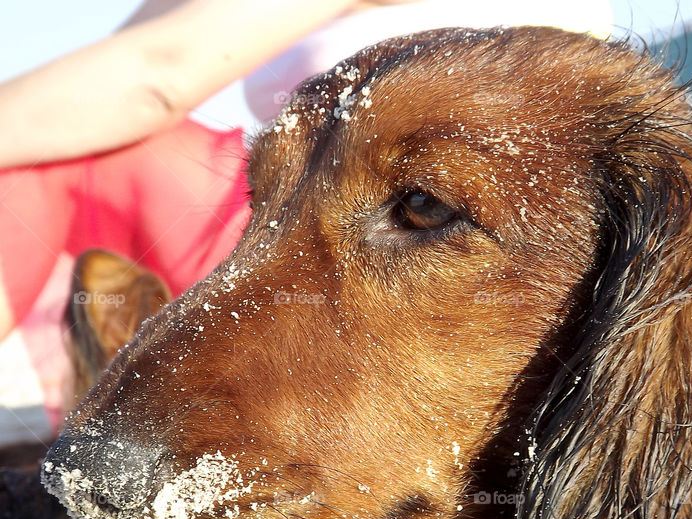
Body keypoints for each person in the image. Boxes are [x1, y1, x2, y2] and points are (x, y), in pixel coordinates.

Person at [0, 0, 612, 435]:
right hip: (278, 205)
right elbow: (113, 62)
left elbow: (153, 78)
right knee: (49, 150)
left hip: (421, 231)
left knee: (42, 161)